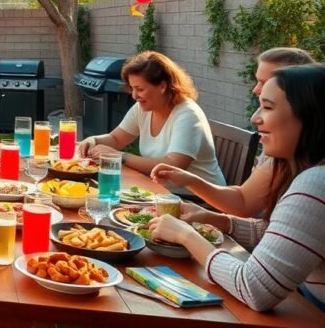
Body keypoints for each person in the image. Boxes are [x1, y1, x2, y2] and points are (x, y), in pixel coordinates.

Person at [147, 64, 325, 312]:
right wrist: (215, 220)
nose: (255, 118)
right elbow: (281, 236)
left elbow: (254, 288)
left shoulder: (316, 183)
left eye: (268, 107)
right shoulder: (307, 171)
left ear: (309, 117)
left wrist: (186, 236)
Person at [151, 47, 316, 229]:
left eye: (266, 82)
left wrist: (186, 235)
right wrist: (207, 211)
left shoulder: (313, 182)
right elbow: (253, 214)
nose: (256, 89)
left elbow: (247, 210)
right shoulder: (283, 152)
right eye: (257, 81)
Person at [77, 51, 226, 189]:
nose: (134, 96)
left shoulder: (187, 115)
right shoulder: (144, 108)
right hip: (162, 192)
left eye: (140, 89)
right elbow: (116, 138)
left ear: (162, 86)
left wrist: (119, 156)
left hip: (199, 202)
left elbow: (173, 166)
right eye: (132, 89)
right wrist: (93, 140)